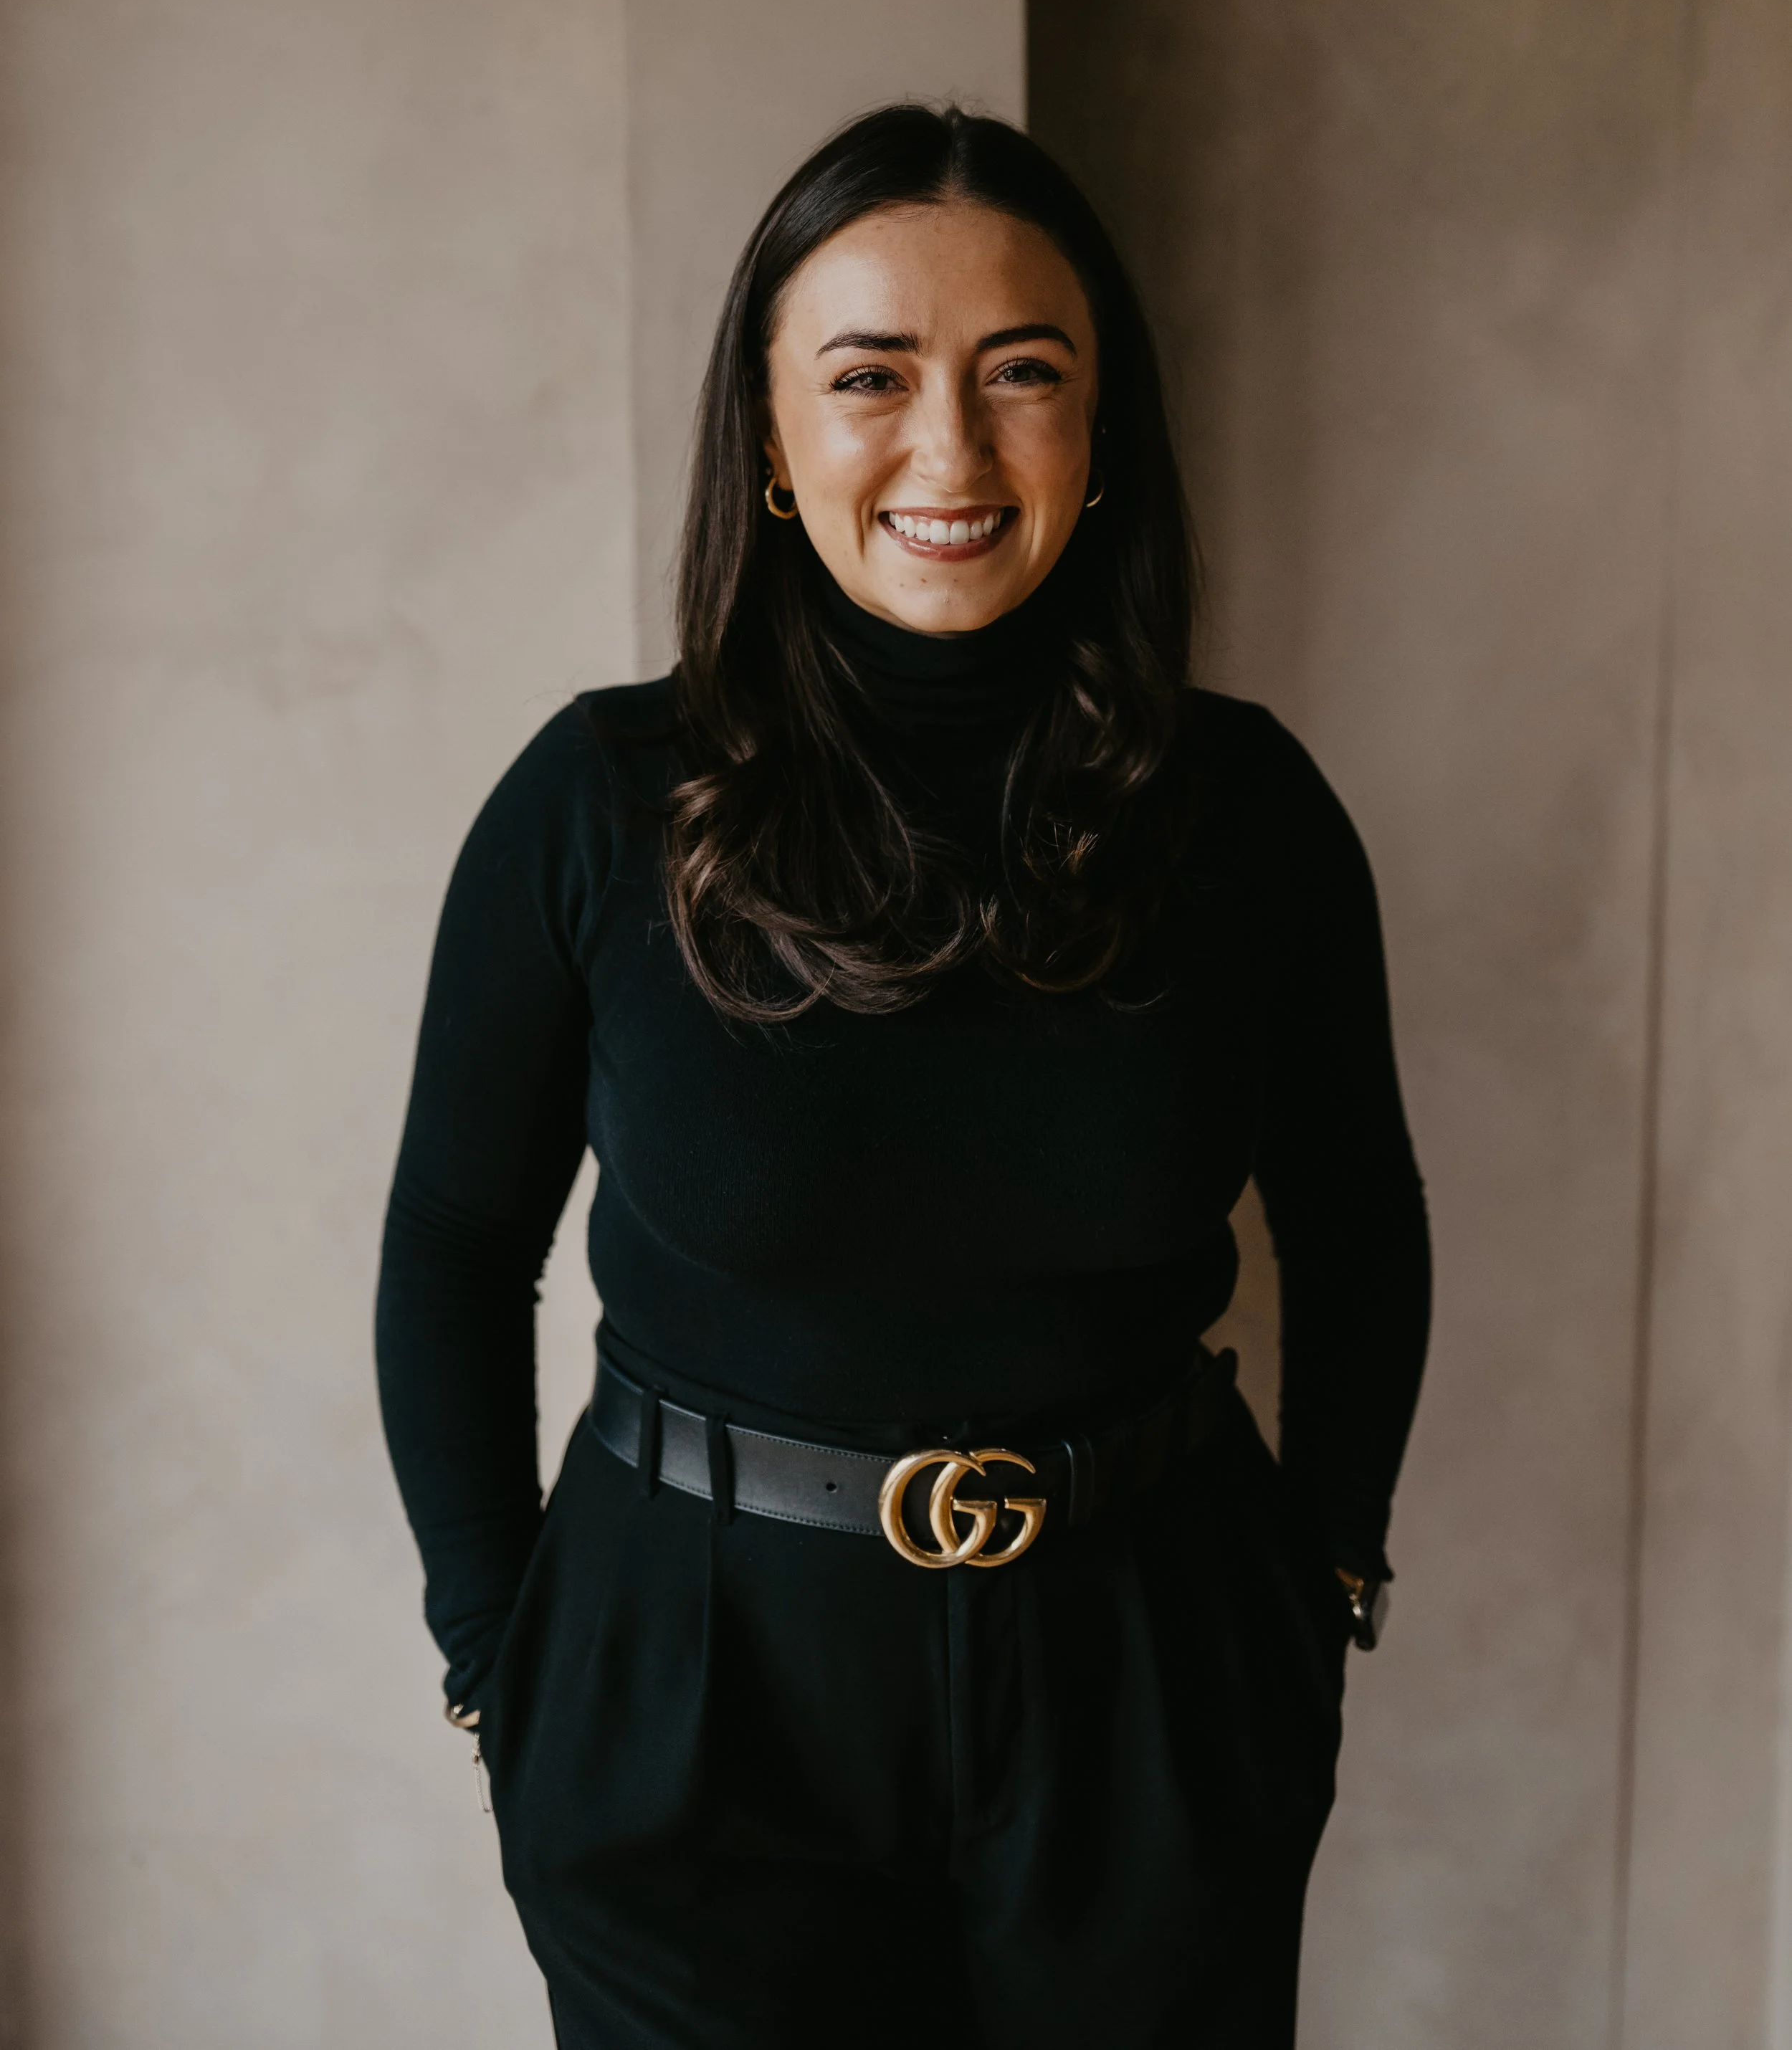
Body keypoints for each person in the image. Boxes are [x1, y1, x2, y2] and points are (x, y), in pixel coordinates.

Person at [376, 104, 1431, 2050]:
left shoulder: (1248, 812)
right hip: (687, 1685)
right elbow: (453, 1241)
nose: (948, 449)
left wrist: (1324, 1576)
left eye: (1021, 375)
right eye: (868, 377)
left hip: (1146, 1667)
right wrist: (489, 1650)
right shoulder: (600, 804)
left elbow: (1356, 1216)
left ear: (1099, 428)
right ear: (769, 438)